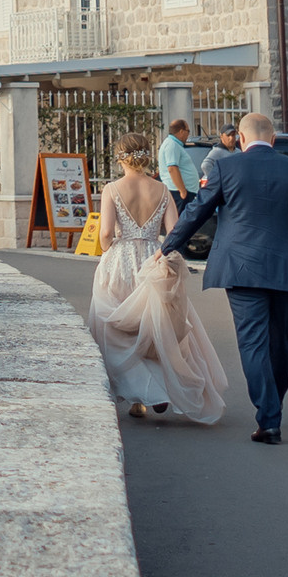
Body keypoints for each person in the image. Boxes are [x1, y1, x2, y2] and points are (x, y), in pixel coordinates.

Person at [160, 111, 288, 443]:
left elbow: (197, 211)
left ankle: (269, 417)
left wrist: (168, 246)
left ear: (242, 139)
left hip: (241, 268)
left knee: (252, 342)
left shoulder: (225, 167)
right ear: (274, 139)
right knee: (282, 343)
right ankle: (273, 409)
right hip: (287, 270)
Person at [88, 135, 226, 424]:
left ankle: (140, 394)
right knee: (154, 328)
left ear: (120, 158)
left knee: (119, 331)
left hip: (121, 261)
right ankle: (151, 393)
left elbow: (105, 235)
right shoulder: (163, 190)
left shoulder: (111, 189)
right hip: (153, 258)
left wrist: (109, 246)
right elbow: (174, 231)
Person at [155, 119, 201, 207]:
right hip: (178, 192)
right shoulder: (172, 145)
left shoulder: (174, 144)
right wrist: (182, 190)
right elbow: (172, 168)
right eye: (188, 131)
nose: (188, 135)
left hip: (182, 191)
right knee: (180, 219)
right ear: (181, 131)